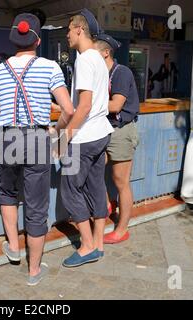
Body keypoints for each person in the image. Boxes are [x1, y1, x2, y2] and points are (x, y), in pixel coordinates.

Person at [0, 13, 74, 285]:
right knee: (37, 205)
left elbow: (2, 100)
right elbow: (69, 110)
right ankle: (34, 270)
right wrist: (56, 130)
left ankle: (13, 249)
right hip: (36, 138)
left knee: (8, 192)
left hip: (7, 137)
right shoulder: (50, 67)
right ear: (37, 39)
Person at [60, 8, 114, 268]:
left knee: (70, 190)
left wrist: (64, 137)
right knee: (96, 187)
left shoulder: (83, 59)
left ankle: (87, 246)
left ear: (79, 29)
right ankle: (99, 244)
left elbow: (84, 106)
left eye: (69, 29)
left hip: (85, 137)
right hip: (102, 133)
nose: (67, 35)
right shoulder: (98, 58)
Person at [95, 33, 140, 244]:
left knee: (121, 182)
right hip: (103, 129)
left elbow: (115, 106)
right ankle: (106, 206)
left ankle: (122, 229)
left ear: (105, 52)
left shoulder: (121, 72)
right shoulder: (98, 74)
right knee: (92, 172)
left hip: (121, 130)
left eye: (92, 52)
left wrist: (86, 106)